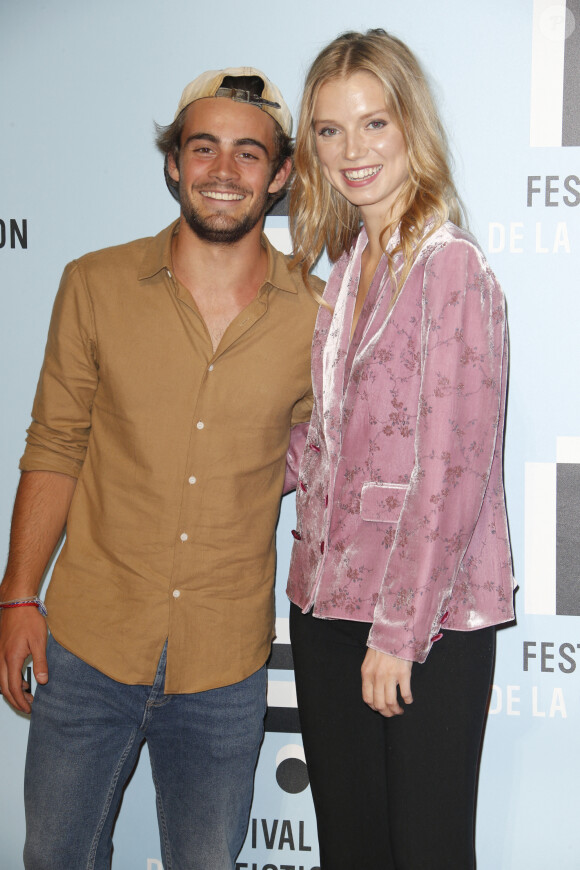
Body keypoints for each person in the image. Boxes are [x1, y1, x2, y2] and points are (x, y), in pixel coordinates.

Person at [0, 67, 320, 870]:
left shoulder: (320, 316)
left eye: (249, 154)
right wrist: (16, 596)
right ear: (173, 162)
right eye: (202, 147)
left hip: (225, 662)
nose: (223, 170)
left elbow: (333, 457)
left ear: (280, 174)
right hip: (86, 645)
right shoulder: (94, 286)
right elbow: (55, 444)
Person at [285, 29, 515, 870]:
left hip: (427, 624)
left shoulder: (448, 267)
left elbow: (452, 471)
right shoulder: (349, 266)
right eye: (330, 130)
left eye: (374, 124)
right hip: (326, 608)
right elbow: (335, 439)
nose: (352, 151)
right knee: (351, 851)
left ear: (411, 127)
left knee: (424, 852)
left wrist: (398, 633)